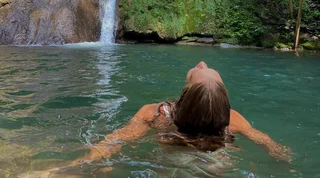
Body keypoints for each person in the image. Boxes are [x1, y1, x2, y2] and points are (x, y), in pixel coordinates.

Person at [23, 61, 291, 177]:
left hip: (166, 166)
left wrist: (76, 164)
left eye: (202, 71)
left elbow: (114, 142)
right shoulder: (233, 120)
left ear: (185, 95)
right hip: (215, 165)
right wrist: (284, 159)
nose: (202, 64)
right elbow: (267, 143)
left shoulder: (155, 112)